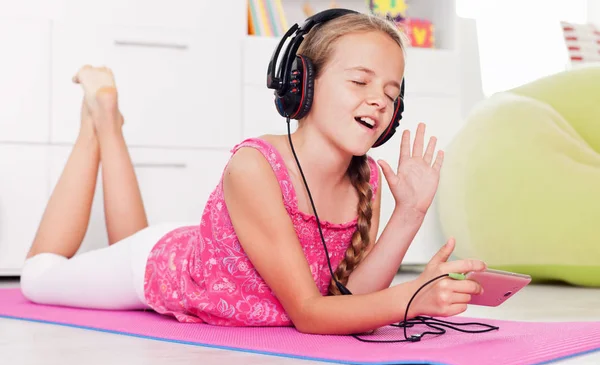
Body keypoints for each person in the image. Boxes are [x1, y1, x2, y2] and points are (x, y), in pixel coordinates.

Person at [19, 10, 485, 335]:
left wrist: (410, 213)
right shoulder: (255, 167)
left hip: (212, 255)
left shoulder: (366, 181)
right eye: (360, 81)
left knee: (130, 233)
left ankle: (110, 126)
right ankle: (97, 121)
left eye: (391, 91)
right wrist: (410, 299)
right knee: (38, 278)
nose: (379, 99)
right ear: (302, 84)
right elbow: (309, 313)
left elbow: (346, 299)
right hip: (166, 267)